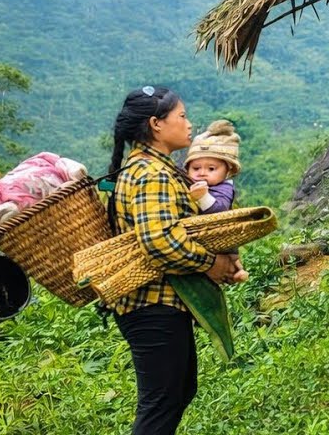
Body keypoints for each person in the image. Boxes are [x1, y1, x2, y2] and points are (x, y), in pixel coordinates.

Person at [106, 86, 240, 435]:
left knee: (179, 391)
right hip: (152, 306)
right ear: (156, 124)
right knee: (161, 402)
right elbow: (161, 240)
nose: (188, 123)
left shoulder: (156, 169)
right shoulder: (152, 174)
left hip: (162, 304)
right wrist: (212, 264)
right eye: (181, 116)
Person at [184, 119, 248, 281]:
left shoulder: (224, 188)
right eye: (196, 168)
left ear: (228, 170)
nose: (202, 173)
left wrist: (203, 197)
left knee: (230, 251)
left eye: (211, 169)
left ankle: (236, 270)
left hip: (220, 235)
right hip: (199, 239)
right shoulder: (188, 185)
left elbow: (219, 210)